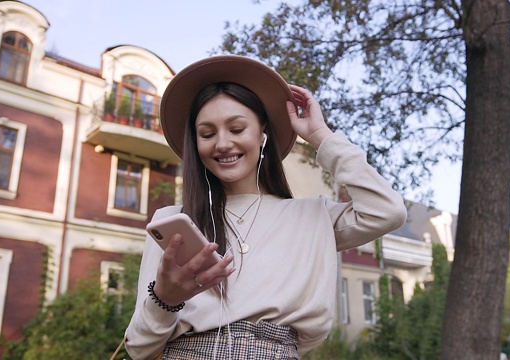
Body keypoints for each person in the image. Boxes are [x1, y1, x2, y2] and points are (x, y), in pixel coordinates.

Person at [125, 55, 407, 359]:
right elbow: (140, 348)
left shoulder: (312, 218)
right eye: (207, 134)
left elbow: (387, 211)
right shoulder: (172, 222)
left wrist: (319, 136)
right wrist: (165, 300)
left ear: (263, 135)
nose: (222, 144)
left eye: (236, 129)